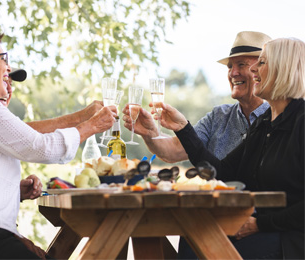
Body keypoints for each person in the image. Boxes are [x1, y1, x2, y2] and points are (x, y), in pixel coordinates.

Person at [0, 26, 117, 259]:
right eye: (4, 59)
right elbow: (39, 146)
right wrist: (91, 126)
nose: (9, 69)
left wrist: (11, 190)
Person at [158, 37, 305, 259]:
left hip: (291, 240)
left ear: (283, 70)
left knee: (199, 253)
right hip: (264, 229)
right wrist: (183, 128)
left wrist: (260, 224)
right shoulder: (265, 123)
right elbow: (222, 172)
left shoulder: (301, 121)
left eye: (261, 63)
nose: (254, 68)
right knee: (191, 241)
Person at [122, 31, 271, 161]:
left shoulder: (280, 118)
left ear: (264, 69)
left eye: (242, 64)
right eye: (230, 67)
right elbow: (174, 150)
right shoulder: (218, 116)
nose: (232, 73)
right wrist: (150, 133)